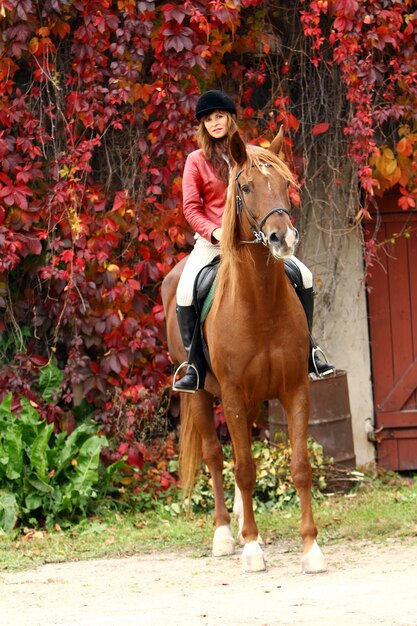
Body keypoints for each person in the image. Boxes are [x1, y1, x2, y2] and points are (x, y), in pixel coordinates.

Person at [173, 89, 335, 393]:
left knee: (305, 276)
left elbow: (270, 193)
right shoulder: (196, 161)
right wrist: (215, 232)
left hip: (255, 240)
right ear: (203, 126)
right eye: (208, 119)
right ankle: (193, 366)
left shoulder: (252, 154)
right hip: (213, 242)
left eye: (220, 116)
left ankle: (309, 351)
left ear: (230, 118)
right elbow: (191, 209)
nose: (215, 123)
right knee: (184, 291)